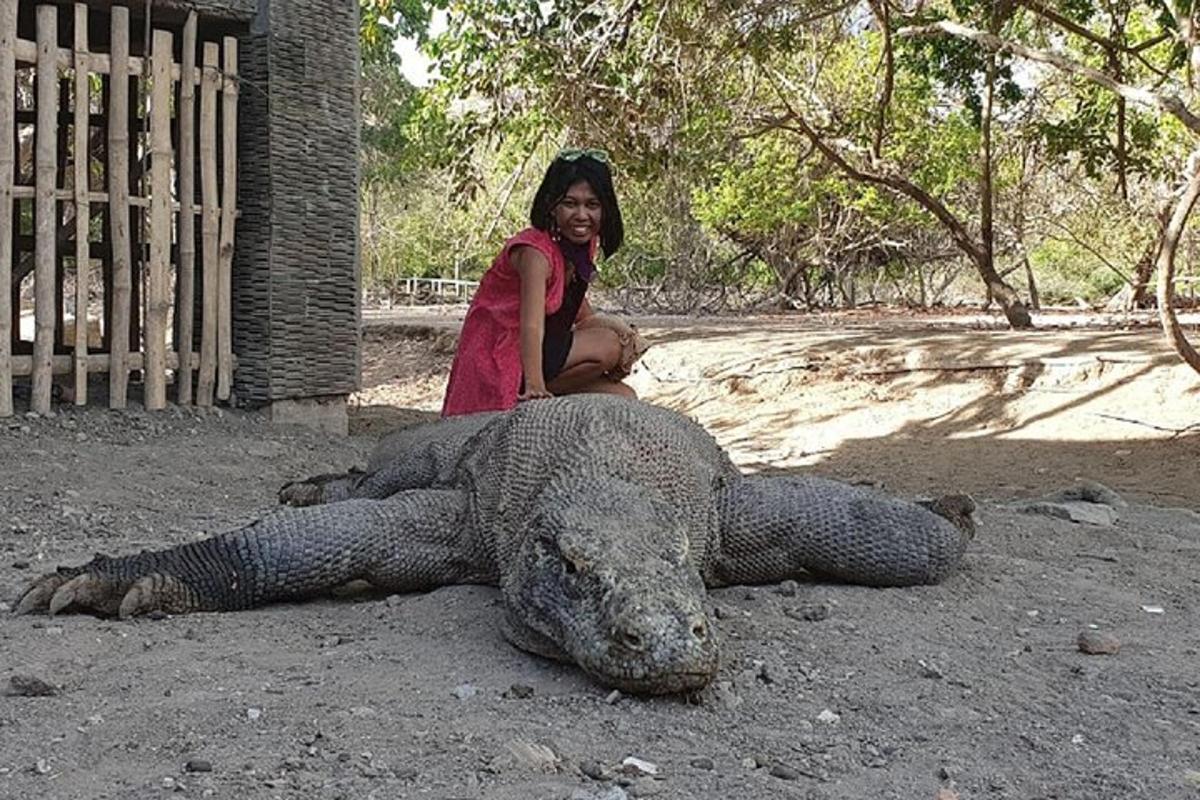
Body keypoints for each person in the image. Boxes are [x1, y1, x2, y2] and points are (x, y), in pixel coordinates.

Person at [441, 148, 644, 417]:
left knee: (624, 396)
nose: (581, 215)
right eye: (570, 203)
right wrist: (535, 386)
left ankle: (545, 388)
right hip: (503, 354)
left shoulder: (580, 245)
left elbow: (578, 311)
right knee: (607, 345)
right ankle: (523, 393)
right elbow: (531, 324)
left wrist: (627, 338)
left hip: (542, 351)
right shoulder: (535, 252)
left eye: (592, 205)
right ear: (552, 206)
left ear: (605, 209)